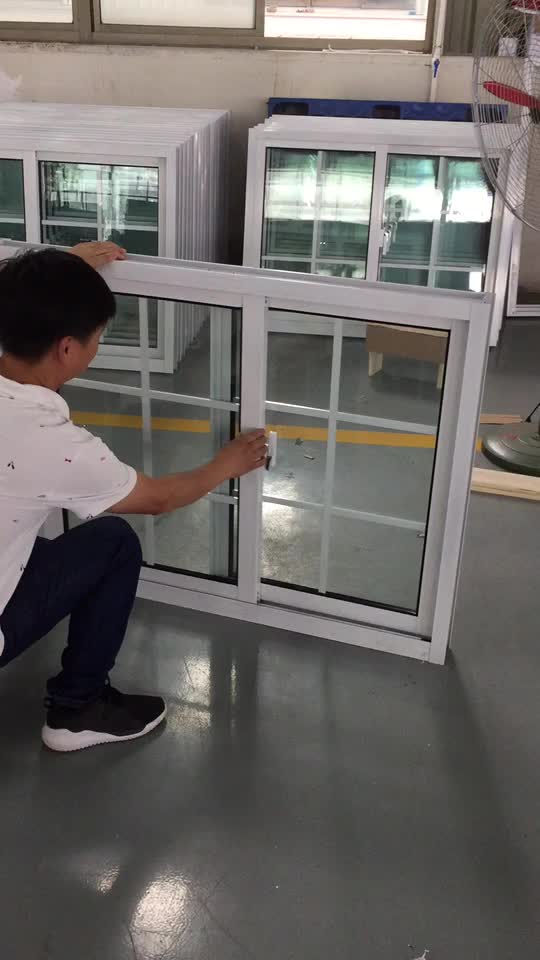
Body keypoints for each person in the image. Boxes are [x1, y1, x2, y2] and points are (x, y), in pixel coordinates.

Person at [0, 242, 267, 753]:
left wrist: (62, 272)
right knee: (114, 542)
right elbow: (158, 498)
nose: (98, 345)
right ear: (67, 349)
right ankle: (76, 711)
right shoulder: (50, 443)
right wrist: (227, 464)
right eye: (97, 337)